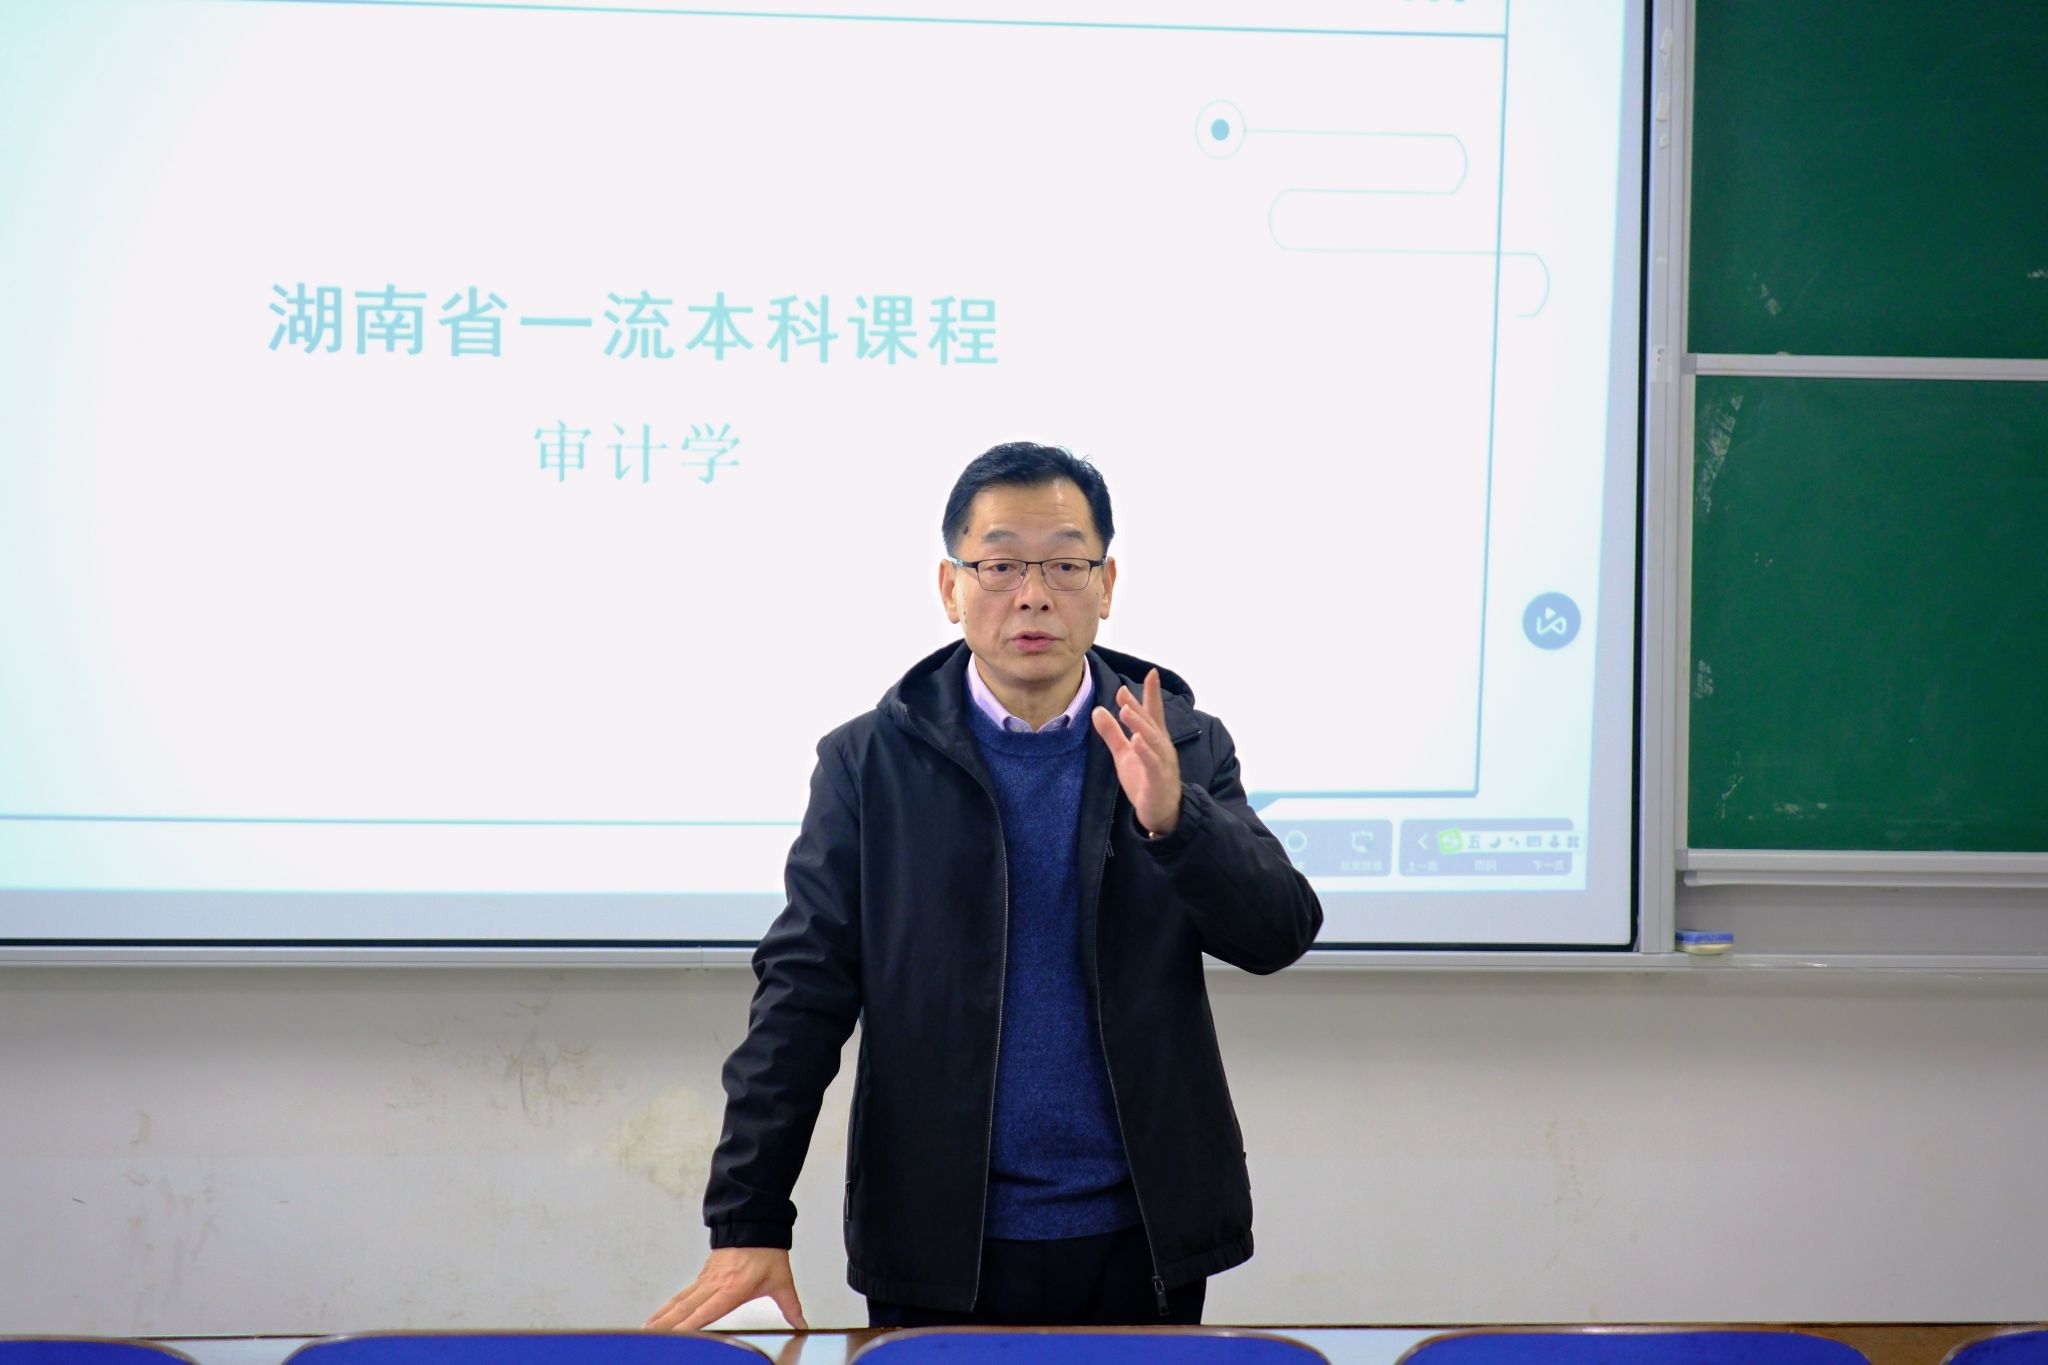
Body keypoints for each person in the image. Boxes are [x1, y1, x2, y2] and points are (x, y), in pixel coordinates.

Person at [644, 441, 1322, 1331]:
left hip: (1143, 1236)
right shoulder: (869, 763)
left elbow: (1278, 933)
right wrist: (748, 1217)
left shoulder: (1181, 744)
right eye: (1000, 565)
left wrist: (1176, 819)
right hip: (937, 1241)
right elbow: (802, 994)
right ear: (950, 586)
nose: (1033, 594)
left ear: (1107, 584)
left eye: (1066, 565)